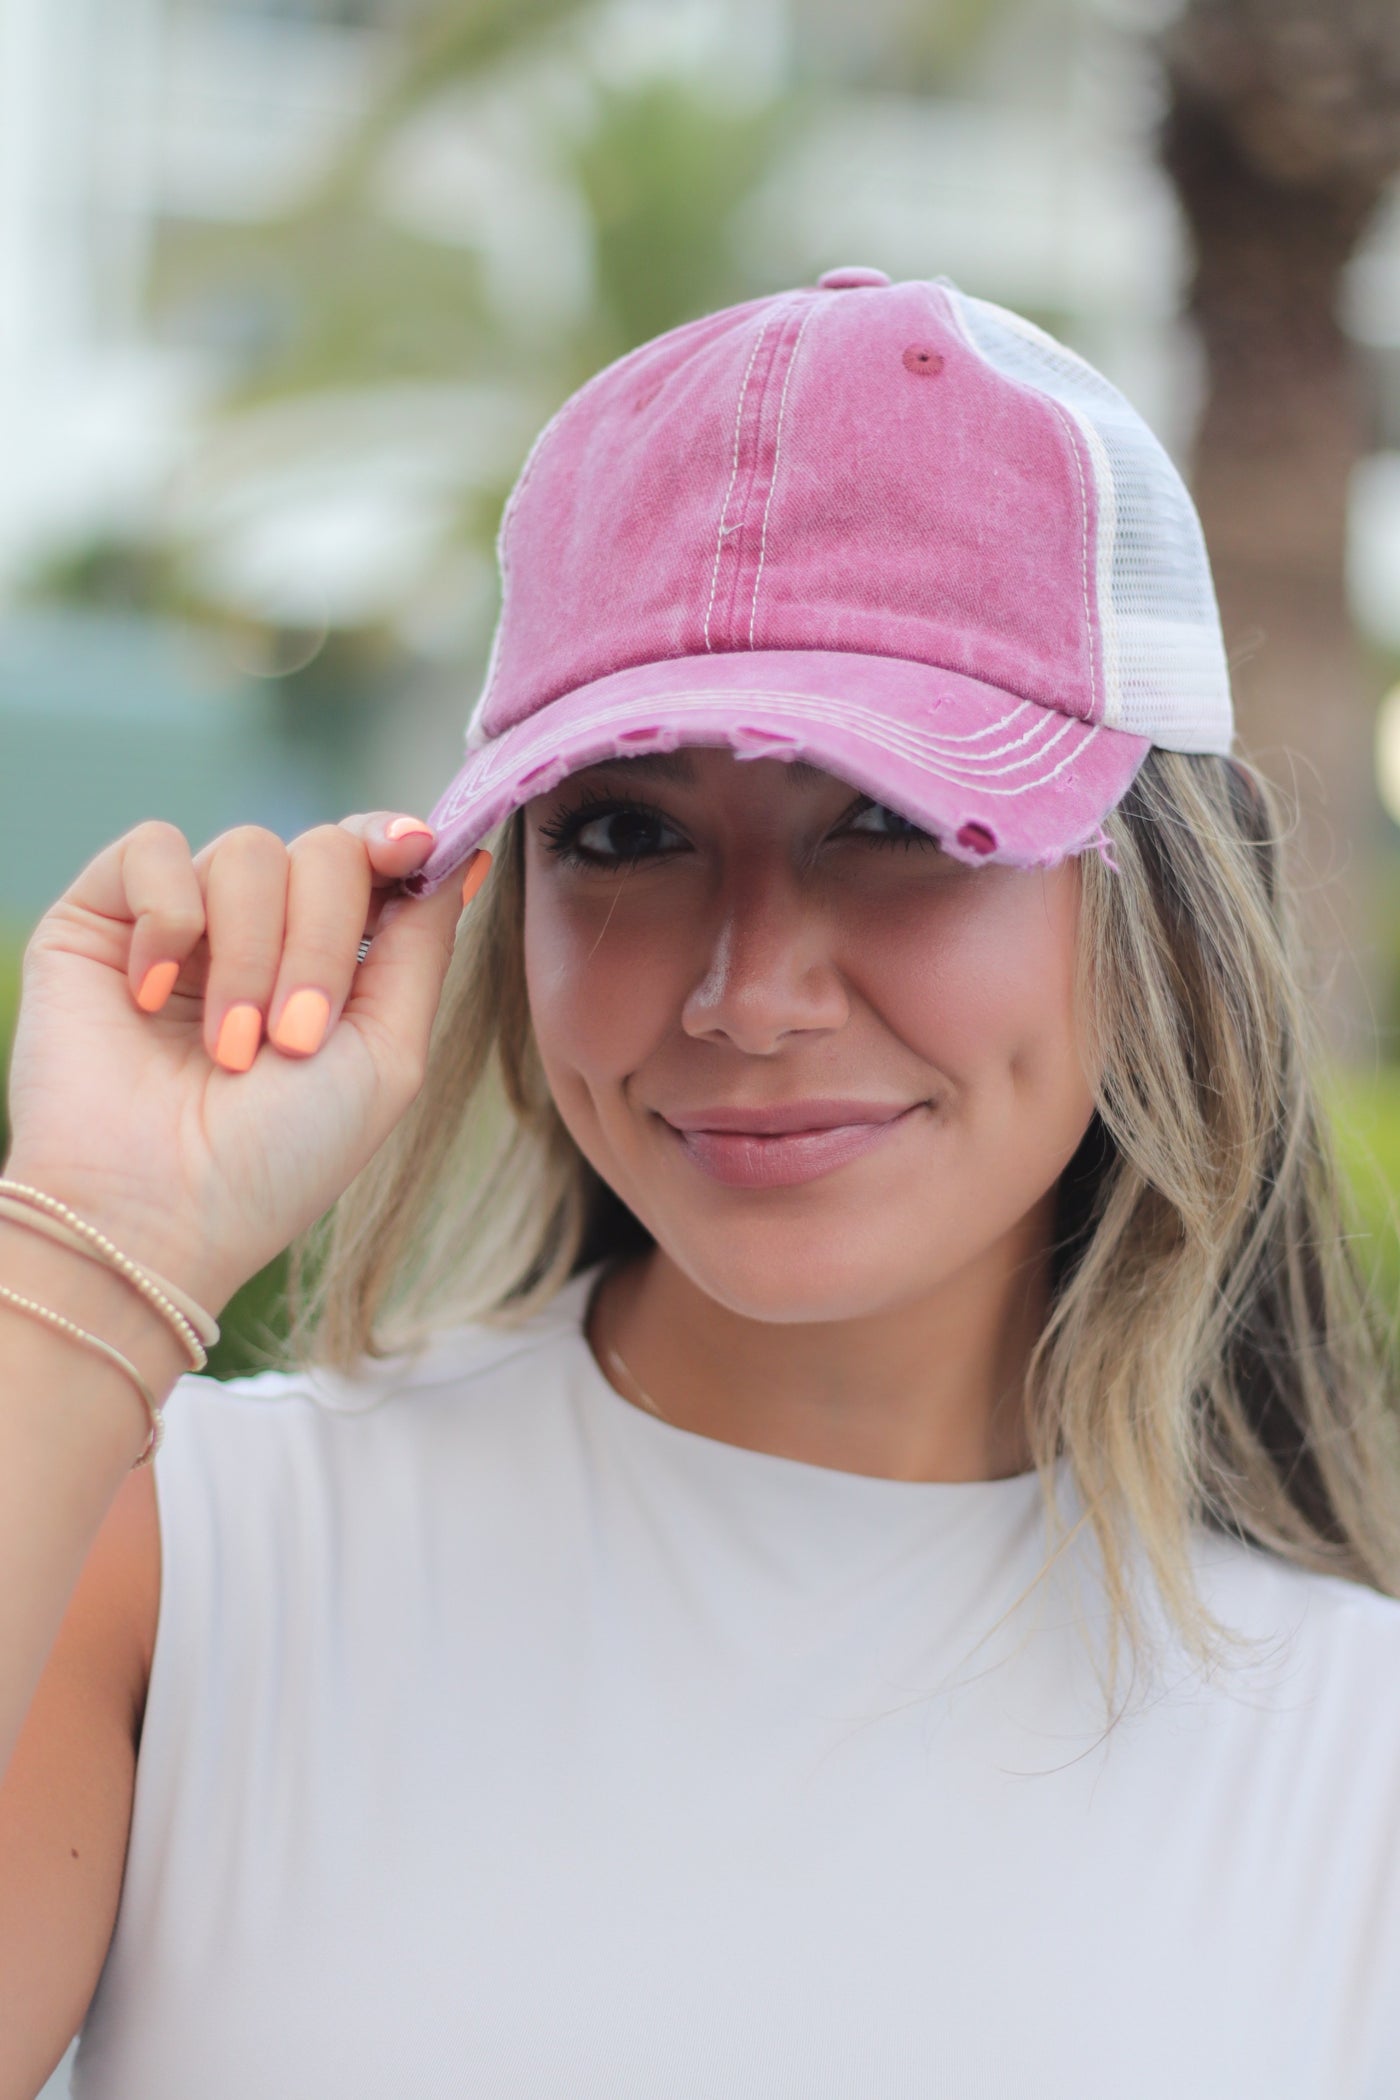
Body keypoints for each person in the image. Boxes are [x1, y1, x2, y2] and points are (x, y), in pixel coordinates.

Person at [2, 266, 1399, 2099]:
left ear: (1155, 905)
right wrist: (90, 1254)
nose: (750, 995)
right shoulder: (182, 1566)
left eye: (897, 825)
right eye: (626, 835)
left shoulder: (1352, 1764)